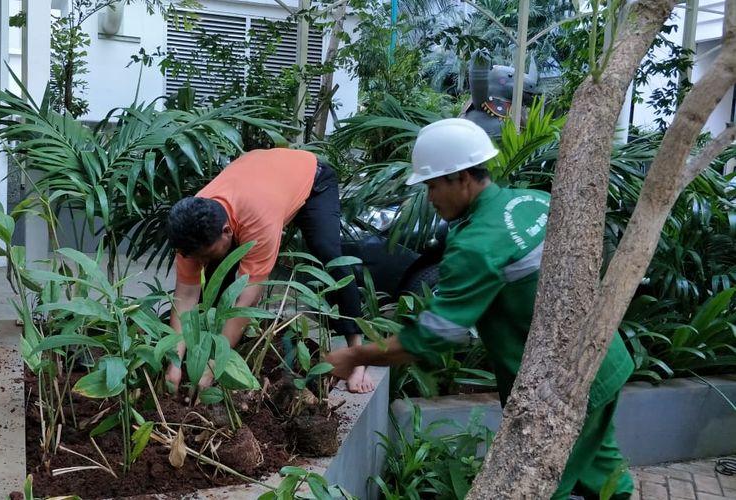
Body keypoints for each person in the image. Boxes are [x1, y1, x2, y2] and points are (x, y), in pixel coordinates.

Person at [325, 118, 635, 499]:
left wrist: (356, 355)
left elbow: (434, 336)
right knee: (602, 471)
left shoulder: (478, 243)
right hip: (604, 359)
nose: (430, 196)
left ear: (462, 178)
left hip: (561, 387)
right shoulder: (532, 200)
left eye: (433, 184)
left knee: (535, 485)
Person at [165, 148, 373, 394]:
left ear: (227, 231)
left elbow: (246, 298)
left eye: (206, 254)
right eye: (195, 256)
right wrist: (174, 363)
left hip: (312, 178)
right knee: (216, 277)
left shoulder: (258, 218)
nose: (199, 261)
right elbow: (185, 297)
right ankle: (209, 349)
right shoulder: (190, 228)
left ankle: (359, 356)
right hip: (261, 175)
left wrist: (213, 368)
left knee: (327, 253)